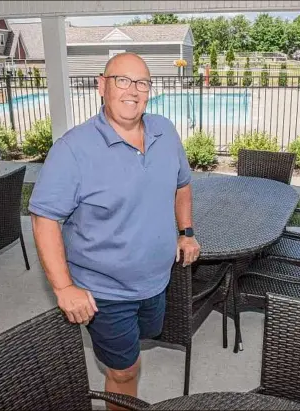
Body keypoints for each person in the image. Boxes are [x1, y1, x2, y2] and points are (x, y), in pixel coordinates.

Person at [28, 52, 200, 408]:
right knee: (124, 370)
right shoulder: (72, 149)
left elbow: (182, 184)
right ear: (101, 85)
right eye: (122, 80)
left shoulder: (164, 131)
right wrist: (63, 287)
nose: (132, 91)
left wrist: (186, 231)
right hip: (105, 291)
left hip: (157, 280)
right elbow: (44, 218)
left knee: (142, 340)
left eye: (142, 83)